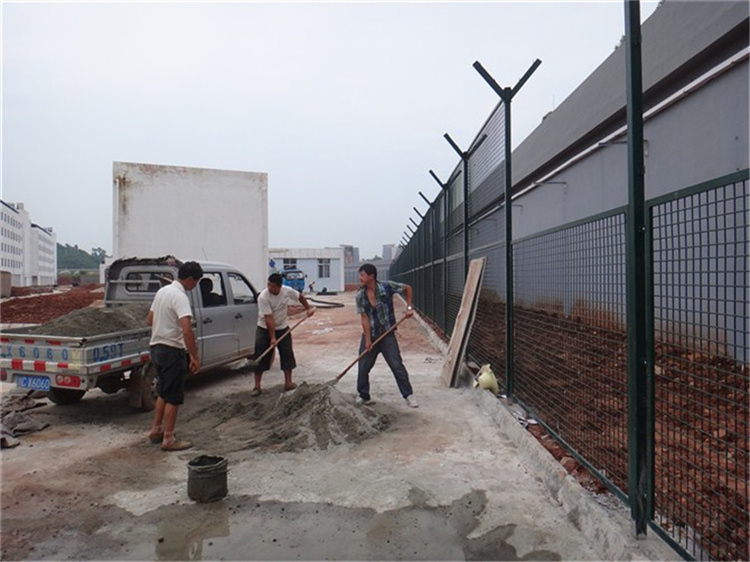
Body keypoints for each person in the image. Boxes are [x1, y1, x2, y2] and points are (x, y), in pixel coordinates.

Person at [146, 261, 203, 451]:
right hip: (172, 350)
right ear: (190, 279)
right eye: (196, 282)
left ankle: (156, 430)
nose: (195, 286)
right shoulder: (180, 297)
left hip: (156, 347)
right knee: (174, 396)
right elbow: (187, 329)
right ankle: (168, 438)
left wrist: (164, 325)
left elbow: (149, 319)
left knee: (163, 391)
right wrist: (194, 356)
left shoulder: (162, 292)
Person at [355, 263, 418, 408]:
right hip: (371, 335)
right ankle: (363, 395)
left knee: (396, 365)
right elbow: (364, 318)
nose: (360, 278)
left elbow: (407, 288)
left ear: (371, 276)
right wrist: (368, 340)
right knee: (363, 366)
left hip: (387, 335)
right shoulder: (360, 295)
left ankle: (408, 395)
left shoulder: (387, 287)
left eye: (362, 275)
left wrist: (409, 307)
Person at [251, 273, 315, 396]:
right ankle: (257, 386)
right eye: (268, 285)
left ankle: (288, 383)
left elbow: (300, 297)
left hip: (282, 327)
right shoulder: (263, 297)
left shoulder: (287, 291)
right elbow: (269, 319)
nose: (270, 288)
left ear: (280, 286)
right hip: (264, 329)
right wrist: (272, 337)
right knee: (260, 356)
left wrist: (308, 308)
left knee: (287, 354)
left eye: (273, 286)